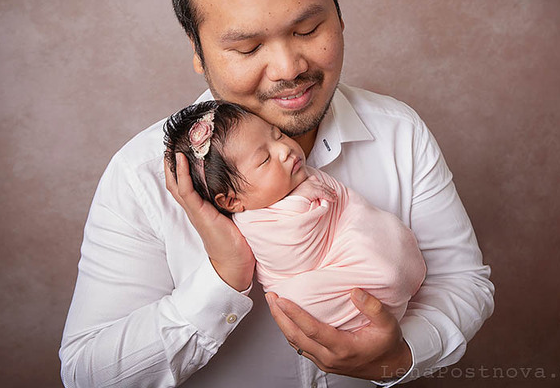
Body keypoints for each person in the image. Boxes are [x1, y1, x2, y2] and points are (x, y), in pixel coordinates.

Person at [60, 0, 494, 388]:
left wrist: (398, 356)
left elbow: (463, 283)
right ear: (199, 53)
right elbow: (86, 374)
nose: (289, 69)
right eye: (246, 47)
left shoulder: (399, 131)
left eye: (309, 29)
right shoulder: (141, 176)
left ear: (338, 13)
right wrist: (221, 278)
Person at [162, 100, 427, 333]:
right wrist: (306, 198)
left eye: (277, 135)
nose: (284, 150)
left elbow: (345, 208)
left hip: (374, 265)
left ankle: (394, 272)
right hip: (339, 297)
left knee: (374, 232)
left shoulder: (293, 181)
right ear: (232, 201)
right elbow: (297, 253)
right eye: (265, 160)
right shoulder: (258, 225)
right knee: (296, 297)